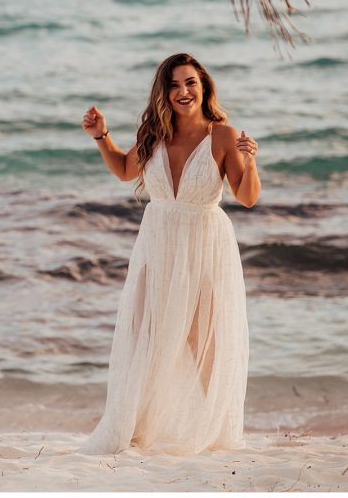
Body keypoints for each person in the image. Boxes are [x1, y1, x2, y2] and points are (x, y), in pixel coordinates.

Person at [78, 52, 260, 455]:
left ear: (204, 87)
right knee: (145, 329)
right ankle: (136, 425)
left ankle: (217, 429)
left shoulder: (223, 136)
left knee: (203, 338)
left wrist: (249, 160)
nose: (183, 92)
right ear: (164, 92)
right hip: (157, 240)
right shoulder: (154, 134)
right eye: (175, 84)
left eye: (190, 83)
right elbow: (126, 170)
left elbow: (246, 197)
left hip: (205, 243)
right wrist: (101, 136)